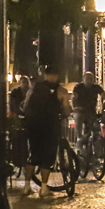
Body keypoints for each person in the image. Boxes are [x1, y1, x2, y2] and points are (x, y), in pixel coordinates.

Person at [23, 66, 70, 198]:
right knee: (48, 157)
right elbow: (66, 109)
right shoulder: (61, 91)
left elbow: (26, 105)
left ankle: (27, 186)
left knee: (33, 155)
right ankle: (43, 187)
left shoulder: (33, 89)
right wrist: (65, 112)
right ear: (56, 76)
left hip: (34, 126)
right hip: (51, 126)